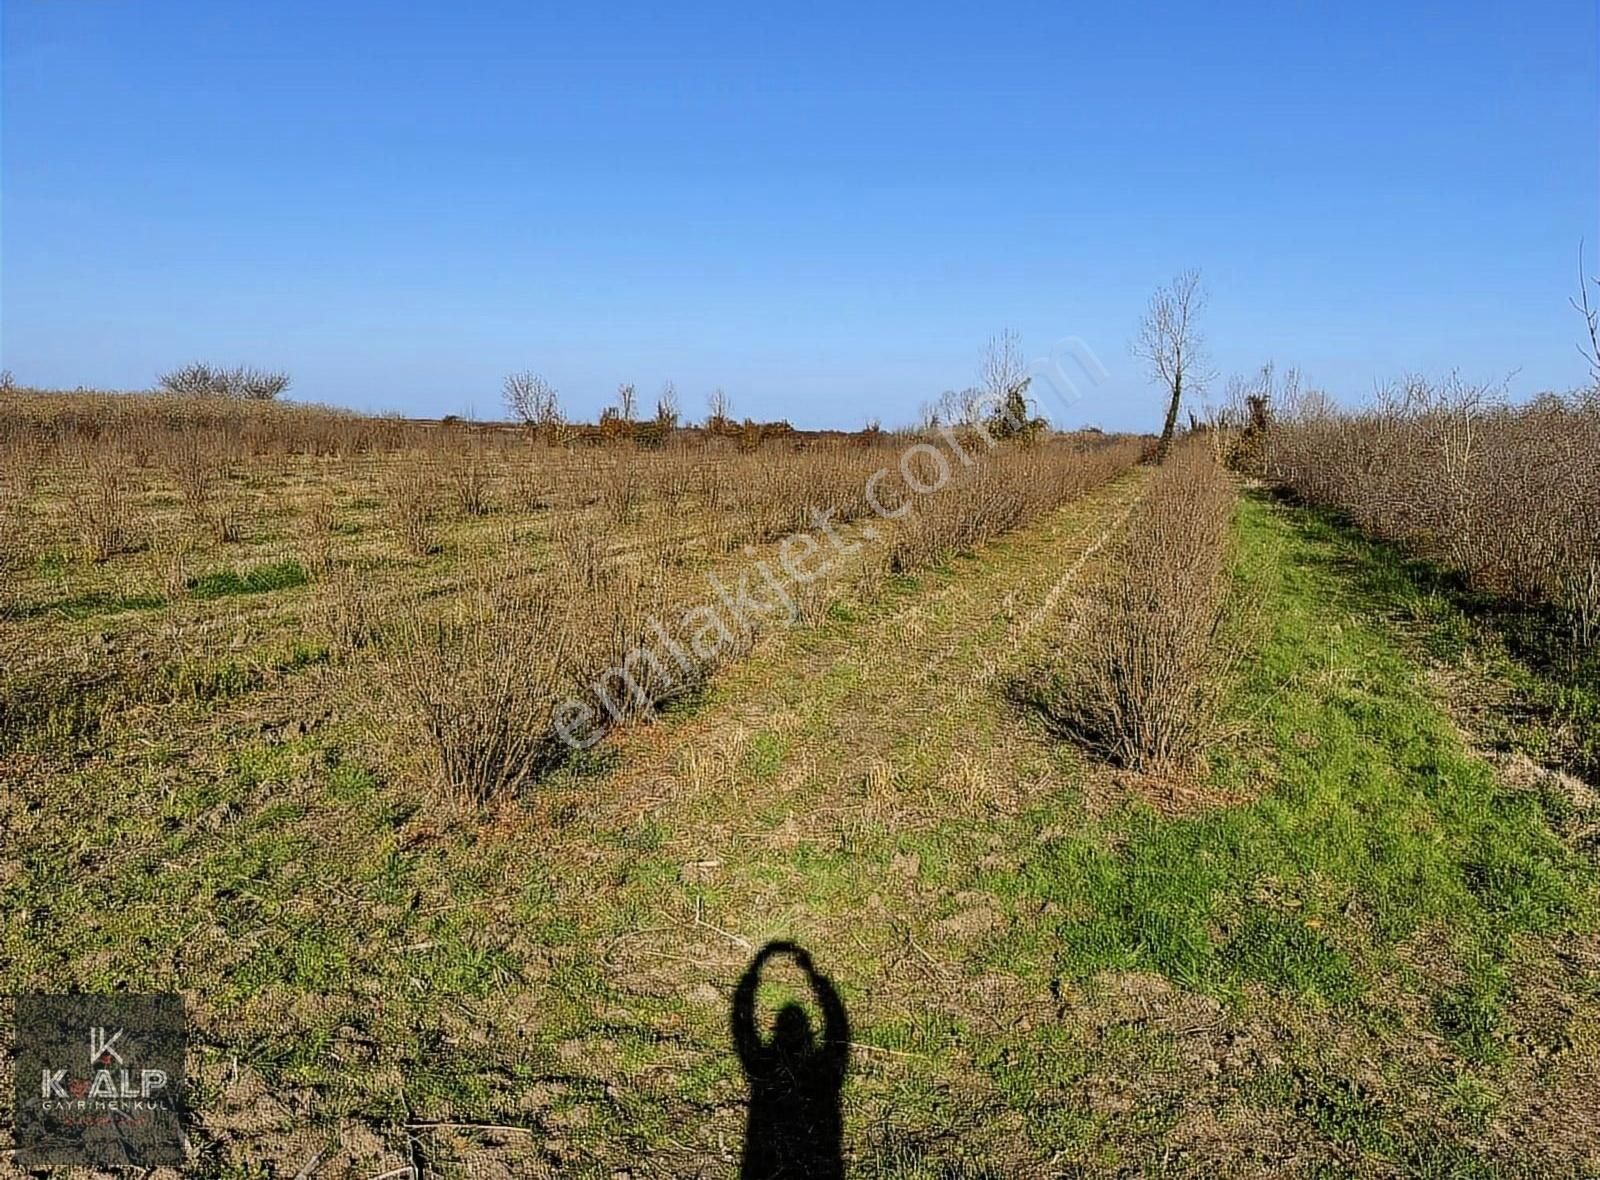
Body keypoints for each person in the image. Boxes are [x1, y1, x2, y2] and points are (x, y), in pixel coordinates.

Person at [730, 941, 850, 1180]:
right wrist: (817, 980)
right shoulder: (822, 1077)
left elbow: (743, 1032)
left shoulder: (761, 1068)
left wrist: (753, 973)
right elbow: (838, 1035)